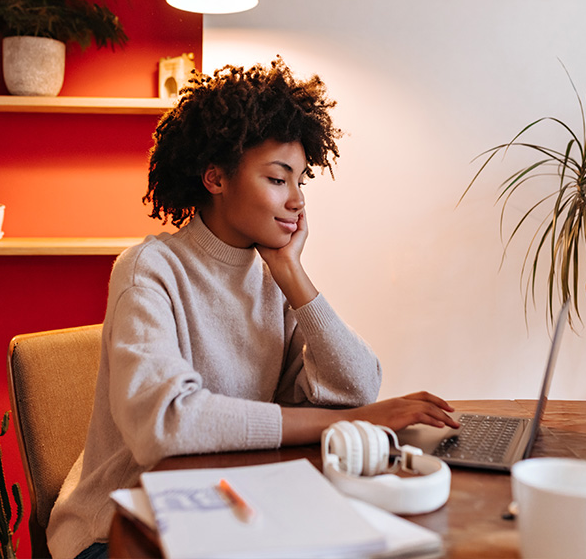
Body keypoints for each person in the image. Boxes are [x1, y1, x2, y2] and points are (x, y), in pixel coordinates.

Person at [47, 59, 460, 559]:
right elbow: (169, 422)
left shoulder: (269, 276)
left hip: (227, 507)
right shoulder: (149, 269)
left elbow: (354, 389)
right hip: (116, 530)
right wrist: (353, 420)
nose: (297, 202)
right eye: (278, 178)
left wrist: (292, 274)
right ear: (216, 178)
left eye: (301, 181)